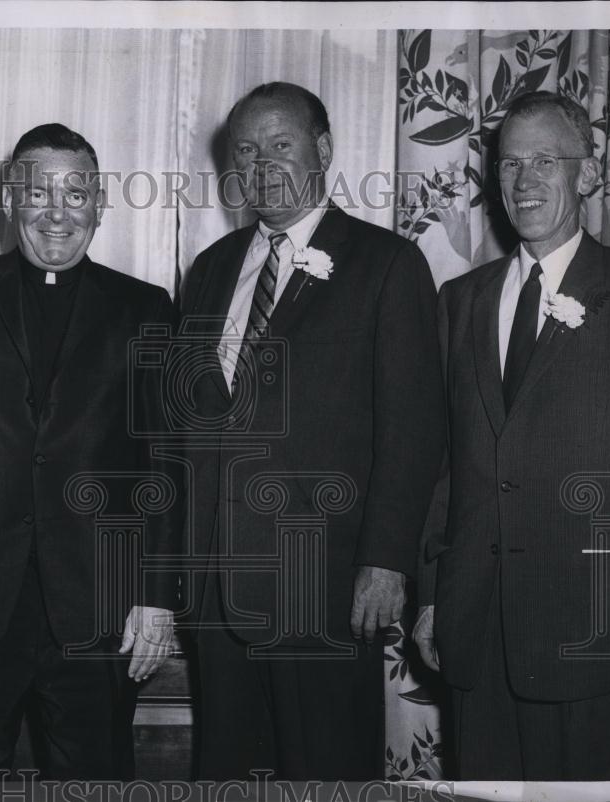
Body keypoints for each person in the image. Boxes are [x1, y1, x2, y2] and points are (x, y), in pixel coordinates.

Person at [413, 91, 610, 780]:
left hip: (594, 634)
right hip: (476, 628)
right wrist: (433, 595)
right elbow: (443, 467)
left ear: (586, 173)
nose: (524, 180)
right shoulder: (459, 301)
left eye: (544, 161)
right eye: (510, 164)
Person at [178, 82, 445, 779]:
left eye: (280, 144)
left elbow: (414, 429)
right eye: (245, 151)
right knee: (228, 777)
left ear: (322, 149)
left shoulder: (387, 264)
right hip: (216, 591)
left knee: (325, 775)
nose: (262, 164)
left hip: (325, 587)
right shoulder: (210, 270)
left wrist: (386, 560)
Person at [0, 123, 180, 780]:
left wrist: (156, 595)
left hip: (100, 610)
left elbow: (167, 462)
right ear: (9, 201)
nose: (57, 214)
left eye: (76, 194)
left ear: (99, 205)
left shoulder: (145, 308)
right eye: (38, 193)